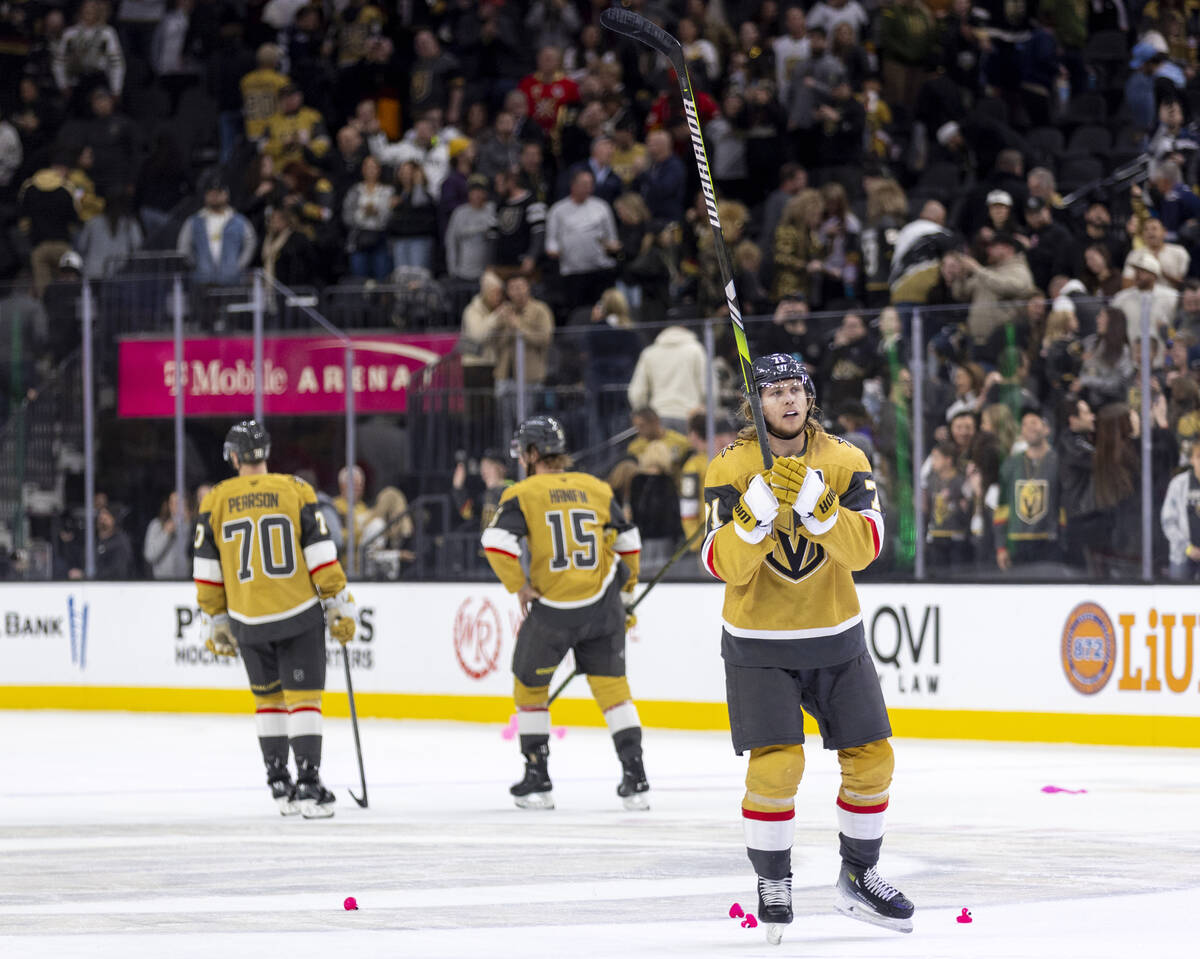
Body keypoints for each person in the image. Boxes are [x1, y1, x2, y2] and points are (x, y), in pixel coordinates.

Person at [700, 354, 911, 944]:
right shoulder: (731, 466)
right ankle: (774, 882)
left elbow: (867, 548)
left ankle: (859, 876)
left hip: (836, 636)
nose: (789, 400)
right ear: (755, 403)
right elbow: (721, 565)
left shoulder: (846, 460)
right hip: (758, 642)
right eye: (774, 392)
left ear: (810, 397)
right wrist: (750, 518)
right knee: (778, 766)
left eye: (796, 389)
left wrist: (822, 511)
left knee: (873, 758)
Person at [481, 415, 648, 811]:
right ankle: (636, 778)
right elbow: (629, 542)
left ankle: (537, 780)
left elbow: (495, 542)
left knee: (529, 687)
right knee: (614, 690)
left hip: (552, 612)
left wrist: (518, 585)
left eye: (524, 452)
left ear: (534, 454)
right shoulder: (596, 487)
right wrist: (624, 594)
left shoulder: (523, 493)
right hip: (601, 605)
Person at [193, 420, 357, 818]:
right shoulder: (295, 491)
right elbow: (320, 553)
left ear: (233, 457)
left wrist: (216, 618)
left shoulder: (214, 501)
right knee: (304, 701)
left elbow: (207, 568)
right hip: (297, 614)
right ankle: (308, 784)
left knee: (267, 700)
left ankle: (279, 783)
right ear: (266, 454)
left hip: (247, 618)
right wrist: (337, 602)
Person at [993, 408, 1062, 571]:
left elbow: (1063, 504)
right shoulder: (1011, 464)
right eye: (1024, 424)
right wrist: (1001, 546)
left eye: (1034, 422)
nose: (1029, 427)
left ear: (1046, 429)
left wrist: (1063, 539)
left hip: (1049, 541)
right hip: (1016, 543)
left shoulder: (1058, 461)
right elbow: (1002, 507)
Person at [1160, 441, 1200, 581]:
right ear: (1192, 459)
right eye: (1199, 457)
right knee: (1178, 600)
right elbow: (1168, 521)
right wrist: (1187, 548)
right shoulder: (1178, 484)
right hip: (1182, 556)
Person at [143, 491, 191, 579]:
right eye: (174, 503)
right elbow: (150, 556)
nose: (177, 507)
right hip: (163, 581)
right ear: (169, 505)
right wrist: (166, 533)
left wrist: (188, 525)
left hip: (186, 581)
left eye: (181, 503)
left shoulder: (193, 526)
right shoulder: (157, 525)